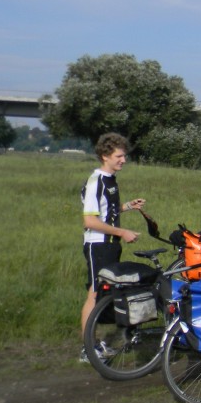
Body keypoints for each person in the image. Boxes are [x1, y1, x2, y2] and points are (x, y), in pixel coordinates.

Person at [80, 132, 145, 363]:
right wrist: (122, 232)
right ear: (105, 155)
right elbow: (90, 220)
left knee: (103, 293)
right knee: (94, 294)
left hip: (109, 245)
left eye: (124, 156)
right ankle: (88, 349)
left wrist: (127, 206)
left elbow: (108, 209)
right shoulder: (95, 181)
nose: (123, 160)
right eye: (119, 156)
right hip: (98, 245)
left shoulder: (110, 180)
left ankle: (94, 345)